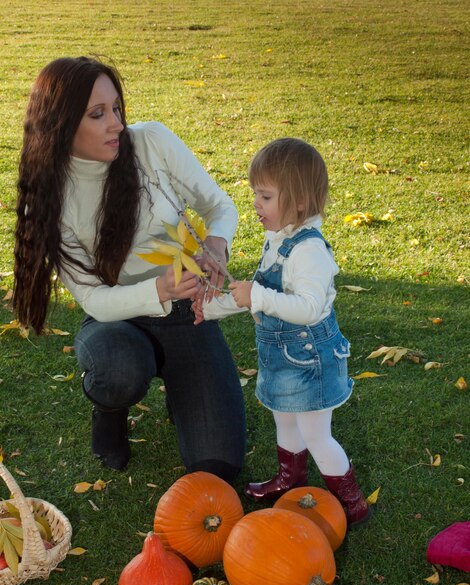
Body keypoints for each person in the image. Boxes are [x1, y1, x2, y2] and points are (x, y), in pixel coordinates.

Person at [12, 56, 246, 482]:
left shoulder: (152, 141)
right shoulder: (48, 197)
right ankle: (110, 407)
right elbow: (94, 298)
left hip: (187, 313)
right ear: (61, 124)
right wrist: (159, 288)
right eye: (98, 114)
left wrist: (217, 242)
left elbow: (219, 206)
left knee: (218, 470)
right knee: (118, 367)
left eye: (116, 108)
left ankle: (184, 387)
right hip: (115, 320)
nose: (116, 123)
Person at [194, 138, 371, 526]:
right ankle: (290, 480)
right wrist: (210, 308)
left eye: (266, 196)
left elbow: (306, 308)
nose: (256, 204)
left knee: (316, 434)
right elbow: (254, 295)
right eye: (256, 194)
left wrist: (255, 294)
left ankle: (351, 503)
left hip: (310, 359)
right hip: (284, 359)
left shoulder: (309, 251)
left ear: (300, 201)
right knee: (284, 420)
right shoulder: (279, 239)